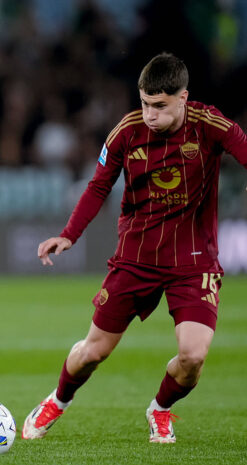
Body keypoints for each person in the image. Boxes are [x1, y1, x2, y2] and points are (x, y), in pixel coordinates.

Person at [21, 53, 247, 444]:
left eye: (159, 106)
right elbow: (98, 186)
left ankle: (160, 408)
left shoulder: (208, 124)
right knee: (93, 352)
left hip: (194, 260)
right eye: (144, 103)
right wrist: (69, 234)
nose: (150, 115)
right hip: (136, 257)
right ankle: (58, 399)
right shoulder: (126, 132)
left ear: (183, 98)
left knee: (193, 357)